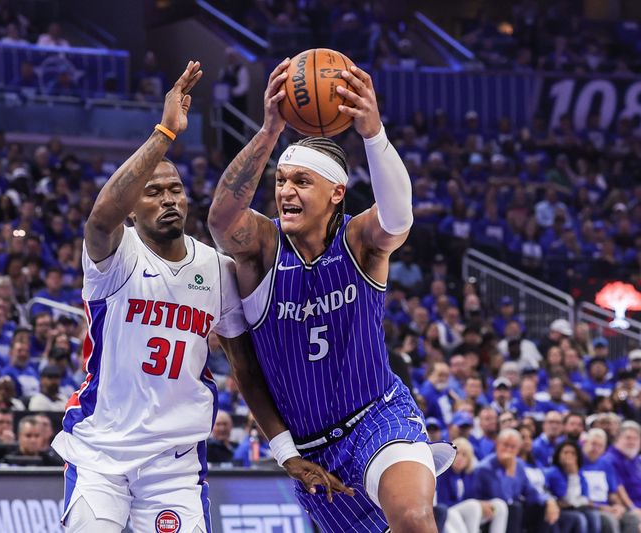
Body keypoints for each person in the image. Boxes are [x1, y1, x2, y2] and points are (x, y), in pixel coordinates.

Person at [51, 61, 348, 533]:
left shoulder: (216, 268)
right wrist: (166, 131)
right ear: (133, 206)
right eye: (153, 192)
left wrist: (285, 452)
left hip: (175, 464)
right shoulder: (114, 255)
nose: (169, 199)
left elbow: (246, 369)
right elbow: (100, 218)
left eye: (176, 190)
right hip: (101, 454)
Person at [208, 58, 455, 532]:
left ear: (337, 193)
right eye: (281, 181)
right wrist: (267, 132)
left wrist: (374, 133)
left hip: (377, 416)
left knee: (413, 517)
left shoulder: (360, 242)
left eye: (302, 181)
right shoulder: (261, 248)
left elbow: (399, 219)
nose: (286, 191)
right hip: (314, 448)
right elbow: (220, 221)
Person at [472, 429, 560, 533]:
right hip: (489, 512)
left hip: (512, 513)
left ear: (518, 449)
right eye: (505, 445)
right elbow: (504, 498)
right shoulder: (484, 468)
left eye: (512, 447)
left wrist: (548, 500)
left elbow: (531, 492)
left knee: (543, 507)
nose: (508, 450)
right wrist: (508, 472)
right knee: (515, 508)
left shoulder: (519, 465)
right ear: (497, 444)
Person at [436, 438, 508, 533]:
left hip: (470, 511)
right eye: (457, 453)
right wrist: (476, 504)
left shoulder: (471, 475)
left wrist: (482, 504)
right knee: (473, 506)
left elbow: (474, 497)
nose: (459, 458)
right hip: (450, 513)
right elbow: (443, 503)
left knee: (499, 505)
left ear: (469, 459)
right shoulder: (443, 474)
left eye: (464, 455)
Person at [582, 428, 640, 533]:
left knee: (631, 519)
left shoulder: (605, 464)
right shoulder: (578, 462)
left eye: (600, 446)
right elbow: (579, 497)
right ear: (585, 443)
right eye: (593, 444)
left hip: (607, 507)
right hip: (588, 507)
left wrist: (619, 506)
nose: (595, 449)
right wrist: (602, 508)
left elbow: (613, 493)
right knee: (609, 520)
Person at [545, 440, 602, 533]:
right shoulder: (552, 473)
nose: (569, 456)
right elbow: (569, 500)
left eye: (573, 453)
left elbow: (584, 499)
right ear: (558, 455)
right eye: (565, 452)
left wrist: (574, 474)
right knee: (579, 518)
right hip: (558, 511)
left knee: (594, 515)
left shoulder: (580, 475)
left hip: (575, 508)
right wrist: (572, 476)